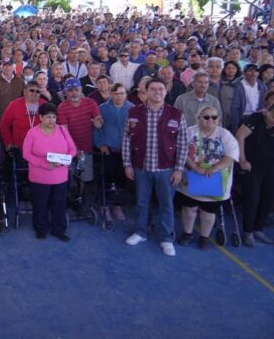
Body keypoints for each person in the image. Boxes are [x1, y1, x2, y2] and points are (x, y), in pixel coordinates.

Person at [122, 77, 188, 257]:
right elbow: (126, 140)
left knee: (166, 205)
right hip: (140, 167)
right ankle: (140, 232)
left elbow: (182, 144)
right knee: (142, 202)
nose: (157, 92)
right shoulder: (134, 112)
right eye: (153, 89)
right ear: (146, 91)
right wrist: (127, 164)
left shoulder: (176, 114)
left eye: (161, 89)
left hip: (166, 169)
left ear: (166, 92)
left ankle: (167, 238)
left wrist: (179, 169)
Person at [175, 106, 239, 250]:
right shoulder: (189, 132)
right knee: (189, 209)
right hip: (191, 178)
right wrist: (195, 167)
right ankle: (187, 234)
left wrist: (214, 168)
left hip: (215, 180)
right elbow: (181, 151)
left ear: (218, 119)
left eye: (214, 117)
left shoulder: (225, 135)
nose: (210, 120)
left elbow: (231, 155)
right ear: (198, 118)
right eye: (206, 117)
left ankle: (204, 237)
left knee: (208, 211)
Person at [22, 103, 77, 241]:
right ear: (40, 117)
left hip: (60, 176)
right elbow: (26, 154)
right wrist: (44, 164)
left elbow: (73, 149)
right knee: (40, 204)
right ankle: (41, 228)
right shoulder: (32, 133)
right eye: (48, 117)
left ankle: (59, 229)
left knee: (59, 203)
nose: (51, 120)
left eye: (53, 117)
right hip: (39, 176)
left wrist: (65, 160)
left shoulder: (63, 130)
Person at [235, 95, 274, 247]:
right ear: (266, 112)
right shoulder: (256, 118)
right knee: (252, 199)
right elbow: (240, 135)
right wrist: (242, 159)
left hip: (271, 167)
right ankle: (248, 231)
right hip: (253, 166)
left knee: (268, 199)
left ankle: (259, 228)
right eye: (271, 117)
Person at [94, 83, 134, 221]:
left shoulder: (131, 108)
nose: (119, 96)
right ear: (111, 94)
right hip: (109, 150)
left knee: (121, 179)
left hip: (125, 151)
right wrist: (100, 144)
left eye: (122, 93)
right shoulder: (102, 108)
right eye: (116, 93)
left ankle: (117, 205)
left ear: (126, 94)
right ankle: (105, 206)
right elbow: (96, 128)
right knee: (107, 178)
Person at [0, 80, 43, 152]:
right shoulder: (14, 105)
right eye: (31, 90)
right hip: (19, 147)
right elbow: (4, 125)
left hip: (40, 146)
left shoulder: (45, 105)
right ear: (25, 91)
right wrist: (9, 142)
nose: (34, 93)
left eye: (37, 91)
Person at [229, 64, 266, 133]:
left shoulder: (261, 85)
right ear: (244, 73)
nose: (253, 73)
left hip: (258, 117)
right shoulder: (237, 85)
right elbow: (234, 107)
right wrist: (235, 125)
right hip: (243, 118)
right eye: (250, 71)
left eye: (256, 71)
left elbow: (264, 103)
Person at [0, 58, 24, 125]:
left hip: (17, 117)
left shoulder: (20, 81)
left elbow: (24, 99)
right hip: (1, 118)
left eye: (9, 65)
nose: (7, 68)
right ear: (1, 67)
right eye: (5, 65)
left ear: (13, 67)